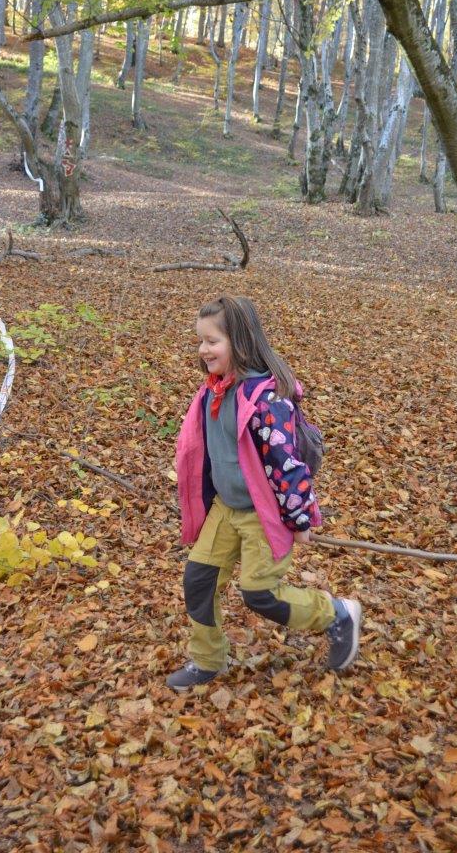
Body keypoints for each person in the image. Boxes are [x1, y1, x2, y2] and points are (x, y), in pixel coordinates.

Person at [167, 295, 361, 693]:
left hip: (262, 513)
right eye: (200, 340)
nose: (203, 349)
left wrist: (299, 518)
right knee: (199, 579)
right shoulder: (214, 391)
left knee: (260, 593)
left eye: (212, 341)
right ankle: (207, 660)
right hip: (225, 508)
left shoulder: (267, 401)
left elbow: (286, 464)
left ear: (239, 342)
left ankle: (336, 614)